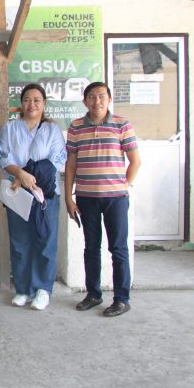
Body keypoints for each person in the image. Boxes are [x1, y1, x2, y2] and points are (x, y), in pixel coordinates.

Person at [65, 82, 140, 317]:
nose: (96, 101)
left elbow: (135, 161)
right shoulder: (76, 127)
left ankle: (122, 299)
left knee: (118, 249)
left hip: (115, 199)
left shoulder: (121, 124)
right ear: (85, 100)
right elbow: (71, 164)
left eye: (101, 96)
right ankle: (93, 294)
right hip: (86, 197)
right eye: (92, 96)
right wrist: (69, 197)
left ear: (109, 99)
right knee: (91, 247)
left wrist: (123, 185)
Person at [0, 84, 67, 310]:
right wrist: (20, 175)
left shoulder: (52, 130)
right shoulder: (10, 128)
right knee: (20, 242)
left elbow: (58, 158)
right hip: (18, 194)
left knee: (45, 242)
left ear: (44, 104)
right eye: (27, 99)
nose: (32, 104)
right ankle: (23, 289)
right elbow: (2, 155)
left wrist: (27, 176)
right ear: (21, 103)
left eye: (37, 100)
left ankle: (42, 289)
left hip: (45, 195)